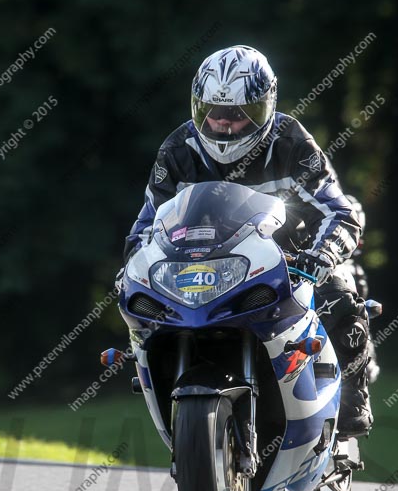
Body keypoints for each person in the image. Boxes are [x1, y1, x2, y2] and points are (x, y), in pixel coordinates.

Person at [122, 45, 373, 437]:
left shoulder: (291, 142)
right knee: (147, 323)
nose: (224, 125)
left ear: (265, 106)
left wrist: (321, 255)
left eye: (239, 116)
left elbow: (338, 212)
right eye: (214, 113)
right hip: (202, 268)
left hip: (290, 262)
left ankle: (353, 396)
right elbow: (146, 223)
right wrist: (133, 265)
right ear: (197, 105)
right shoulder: (177, 150)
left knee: (342, 296)